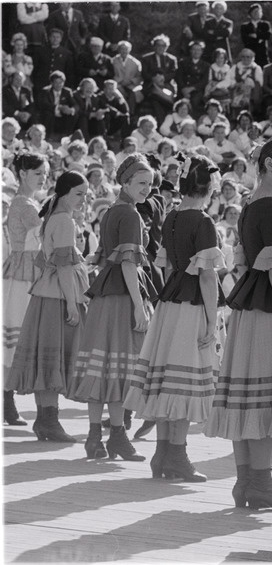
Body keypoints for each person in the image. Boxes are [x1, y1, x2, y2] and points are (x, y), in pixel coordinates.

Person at [204, 136, 272, 511]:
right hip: (268, 309)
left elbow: (244, 262)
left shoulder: (251, 205)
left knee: (247, 395)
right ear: (269, 165)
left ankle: (245, 482)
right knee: (266, 396)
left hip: (248, 306)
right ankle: (262, 484)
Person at [124, 155, 224, 480]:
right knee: (184, 382)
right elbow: (208, 277)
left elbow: (166, 266)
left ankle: (162, 454)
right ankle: (177, 456)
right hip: (192, 306)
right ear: (208, 186)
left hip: (169, 303)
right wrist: (211, 319)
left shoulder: (171, 217)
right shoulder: (204, 222)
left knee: (167, 379)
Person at [68, 154, 159, 461]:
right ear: (125, 181)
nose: (146, 188)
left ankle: (97, 438)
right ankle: (117, 436)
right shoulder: (131, 215)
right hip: (121, 297)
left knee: (103, 367)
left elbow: (105, 255)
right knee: (121, 368)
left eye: (149, 183)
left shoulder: (110, 211)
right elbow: (129, 264)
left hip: (103, 298)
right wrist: (139, 306)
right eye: (141, 183)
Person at [7, 170, 89, 442]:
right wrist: (72, 304)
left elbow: (46, 261)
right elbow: (65, 267)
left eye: (85, 194)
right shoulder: (64, 220)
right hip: (57, 298)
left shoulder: (53, 217)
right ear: (65, 192)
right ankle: (49, 421)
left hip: (44, 295)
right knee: (53, 358)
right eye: (79, 193)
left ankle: (45, 420)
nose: (82, 199)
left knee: (46, 359)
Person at [3, 153, 48, 426]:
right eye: (37, 173)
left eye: (44, 173)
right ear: (22, 174)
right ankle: (8, 402)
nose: (43, 177)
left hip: (28, 269)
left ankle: (9, 403)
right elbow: (45, 232)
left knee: (20, 337)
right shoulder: (22, 203)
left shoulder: (30, 202)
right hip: (22, 272)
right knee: (18, 335)